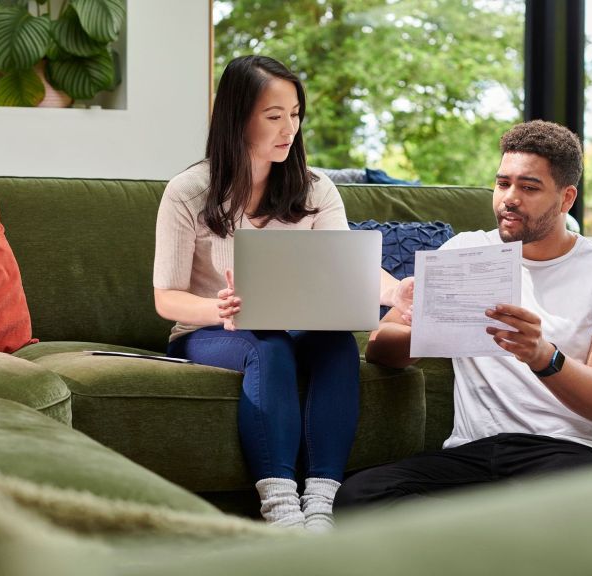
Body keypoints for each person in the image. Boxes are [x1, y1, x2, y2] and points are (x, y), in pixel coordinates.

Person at [333, 120, 592, 511]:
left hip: (570, 452)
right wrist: (426, 329)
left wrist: (543, 356)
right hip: (473, 453)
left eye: (529, 187)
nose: (509, 199)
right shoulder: (463, 251)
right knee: (358, 497)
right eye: (503, 184)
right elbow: (379, 348)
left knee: (563, 507)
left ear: (566, 198)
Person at [152, 55, 413, 531]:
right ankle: (281, 510)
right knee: (267, 344)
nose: (289, 129)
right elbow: (167, 297)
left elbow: (346, 263)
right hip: (210, 332)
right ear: (237, 118)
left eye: (294, 114)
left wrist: (396, 292)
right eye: (274, 116)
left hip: (295, 327)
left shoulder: (315, 188)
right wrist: (219, 308)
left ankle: (321, 505)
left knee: (336, 343)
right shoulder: (187, 191)